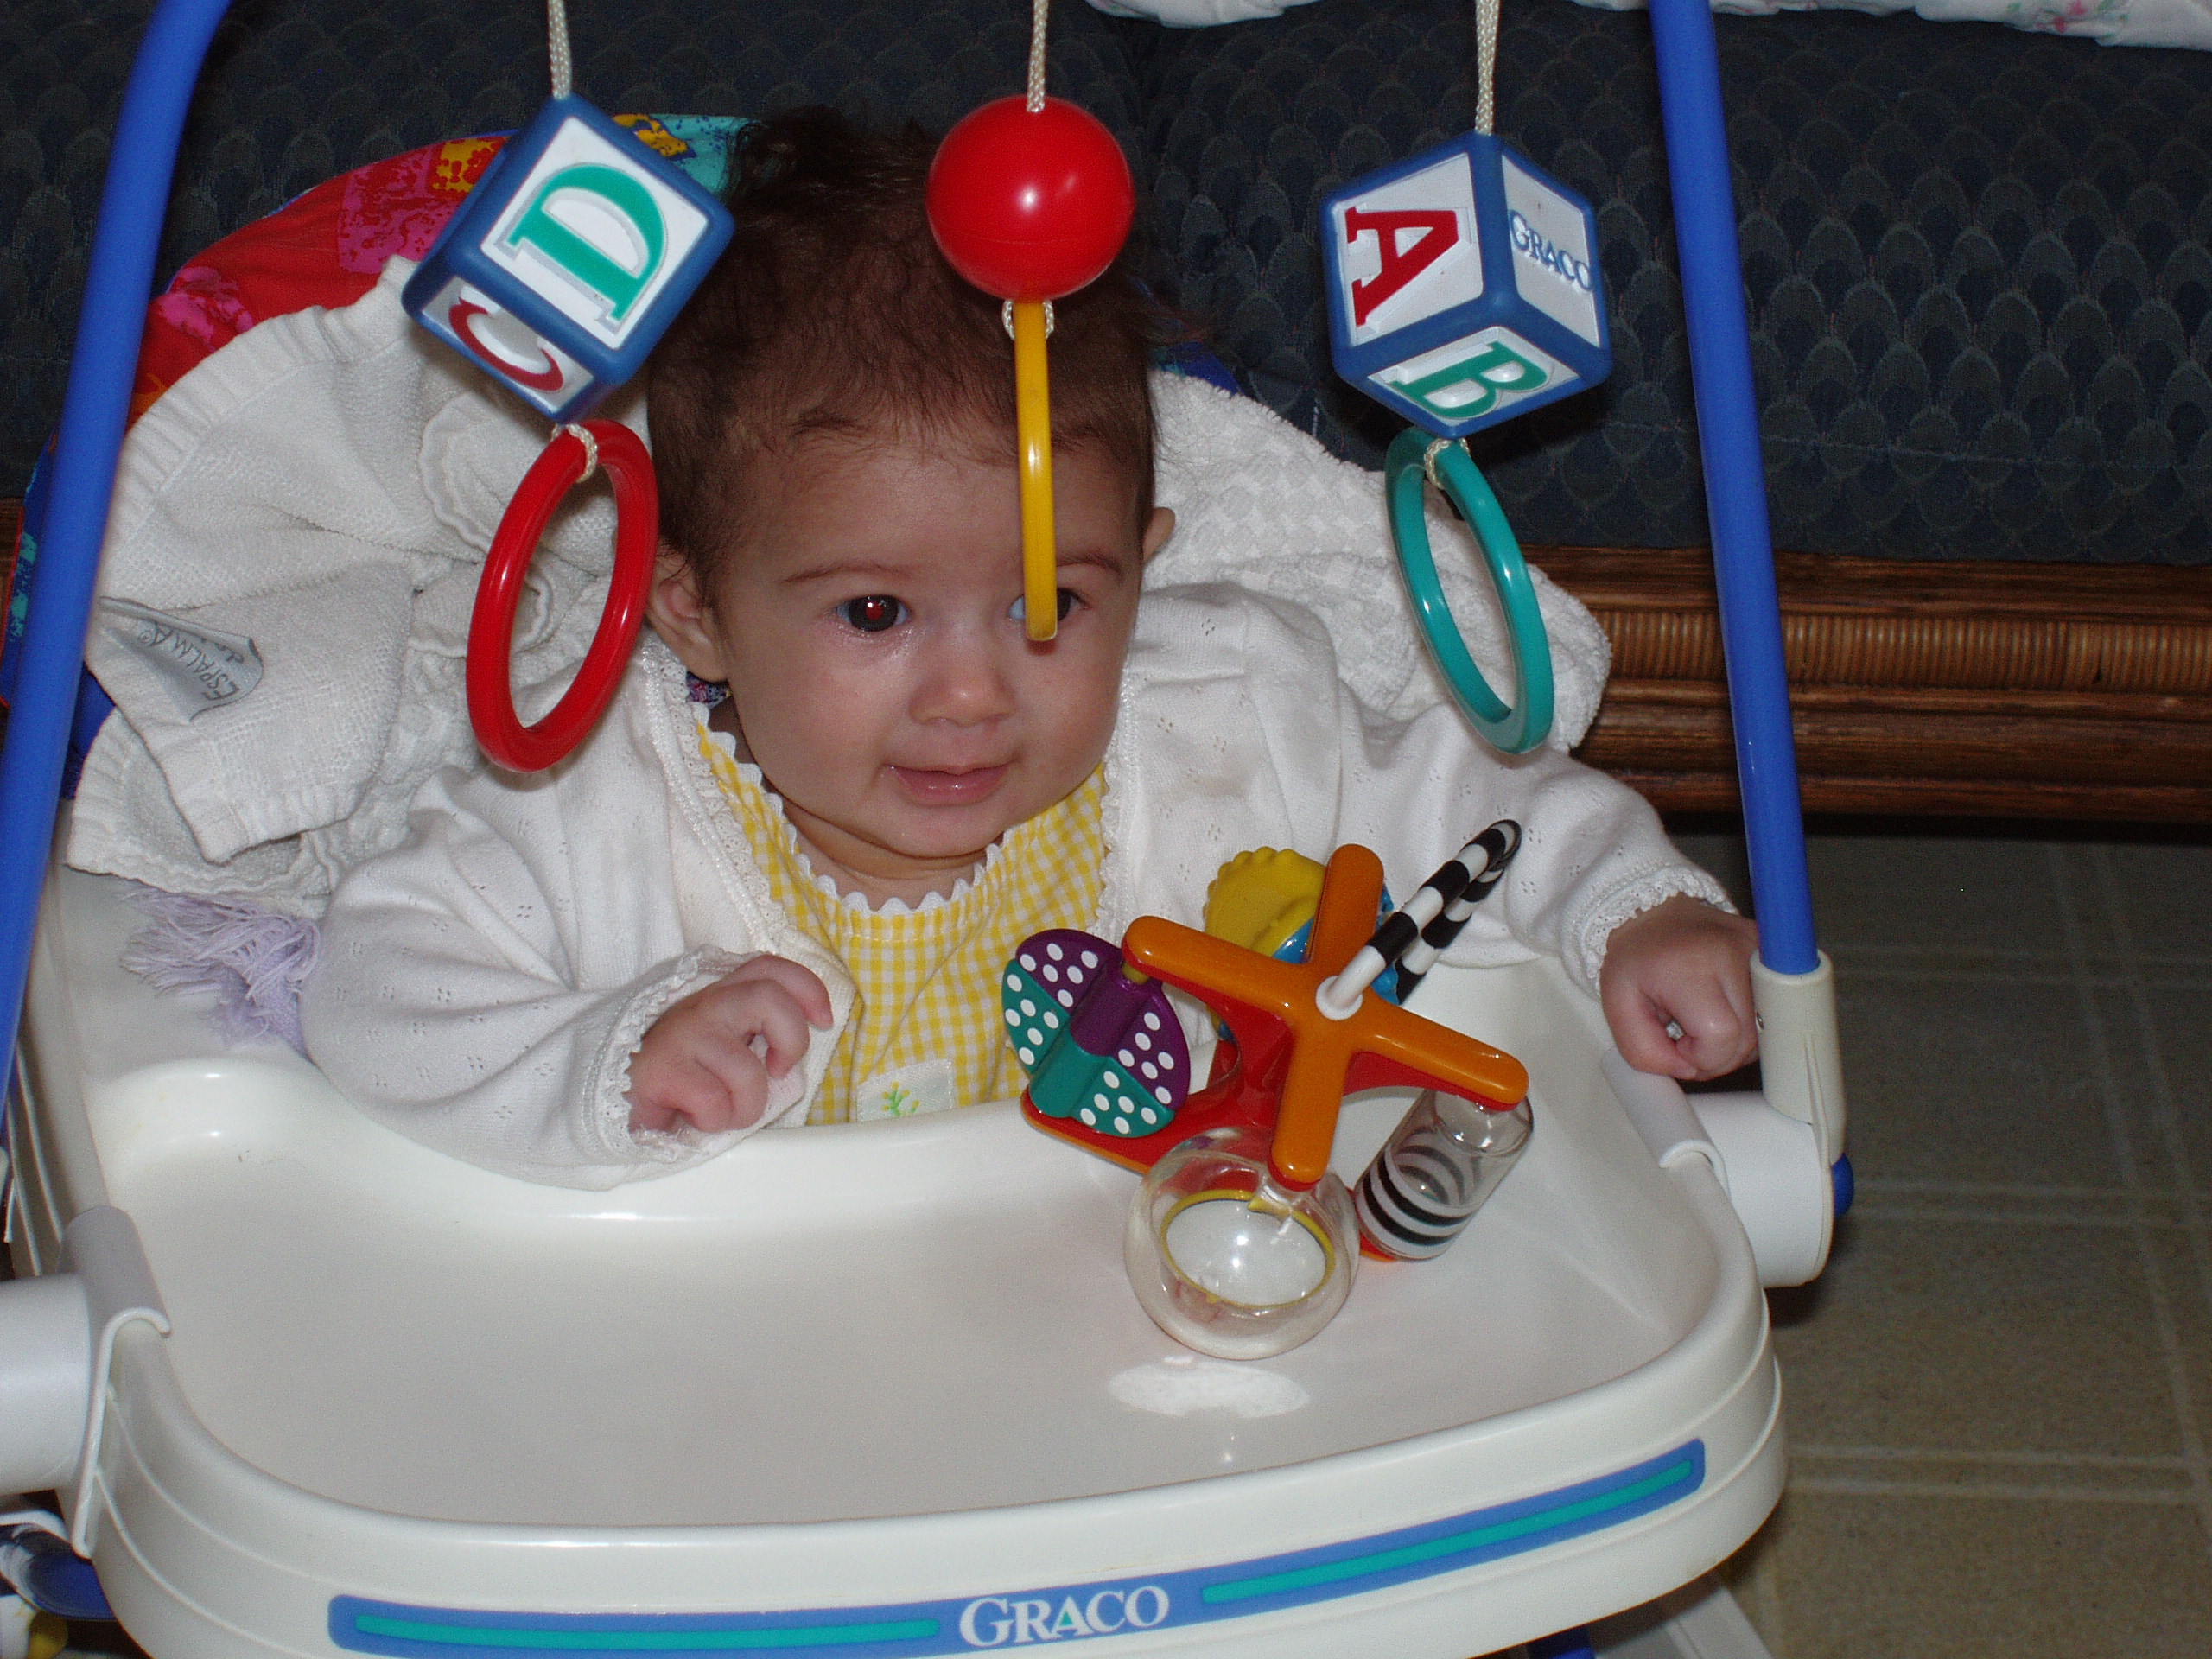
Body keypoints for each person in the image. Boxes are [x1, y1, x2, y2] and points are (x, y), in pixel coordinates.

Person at [300, 108, 1758, 1190]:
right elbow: (376, 990)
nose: (971, 693)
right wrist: (616, 1059)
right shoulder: (596, 799)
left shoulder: (1223, 711)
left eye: (1051, 603)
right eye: (875, 614)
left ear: (1146, 565)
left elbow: (1478, 809)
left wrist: (1631, 910)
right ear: (692, 608)